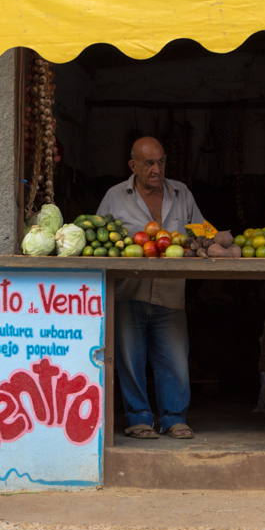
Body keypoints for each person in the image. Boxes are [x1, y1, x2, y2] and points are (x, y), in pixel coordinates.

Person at [97, 137, 204, 440]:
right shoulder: (115, 196)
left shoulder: (181, 193)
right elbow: (99, 240)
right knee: (130, 360)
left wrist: (210, 246)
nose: (157, 169)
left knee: (174, 360)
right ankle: (139, 418)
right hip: (128, 291)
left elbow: (201, 233)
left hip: (171, 293)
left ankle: (174, 418)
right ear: (133, 166)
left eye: (161, 162)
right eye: (148, 163)